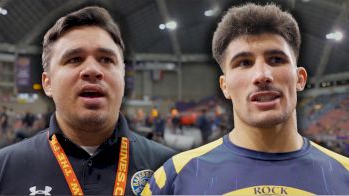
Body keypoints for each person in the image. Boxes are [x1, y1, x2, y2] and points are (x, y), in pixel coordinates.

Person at [142, 3, 349, 195]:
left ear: (300, 78)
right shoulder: (175, 177)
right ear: (225, 86)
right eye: (244, 63)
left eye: (276, 59)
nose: (262, 75)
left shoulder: (344, 174)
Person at [0, 6, 175, 195]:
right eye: (75, 59)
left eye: (106, 60)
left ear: (123, 78)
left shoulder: (170, 169)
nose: (92, 69)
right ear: (47, 83)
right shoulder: (4, 168)